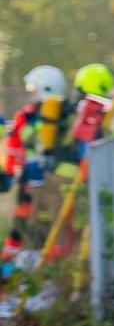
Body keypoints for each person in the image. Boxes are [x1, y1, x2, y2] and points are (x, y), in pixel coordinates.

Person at [2, 66, 69, 264]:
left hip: (46, 181)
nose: (30, 94)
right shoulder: (32, 115)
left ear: (47, 88)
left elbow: (25, 141)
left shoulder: (51, 117)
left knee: (40, 222)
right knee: (24, 221)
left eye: (34, 90)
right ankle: (13, 262)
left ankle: (44, 262)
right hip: (32, 179)